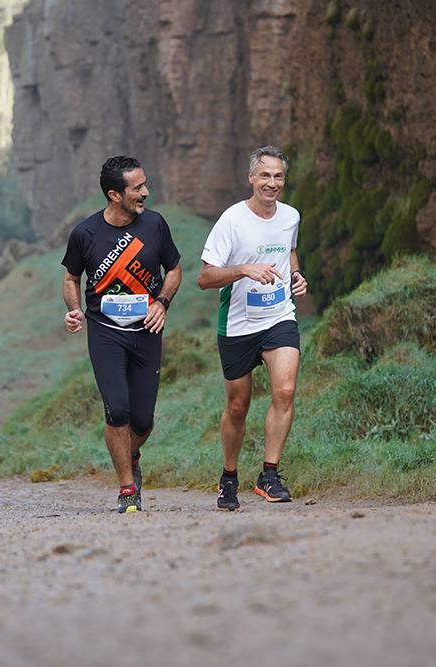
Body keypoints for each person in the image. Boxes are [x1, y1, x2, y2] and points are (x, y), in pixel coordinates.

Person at [62, 155, 181, 513]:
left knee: (142, 419)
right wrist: (73, 309)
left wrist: (161, 302)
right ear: (115, 195)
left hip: (146, 330)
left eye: (145, 184)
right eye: (137, 187)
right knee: (118, 412)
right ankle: (127, 488)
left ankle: (130, 456)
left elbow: (174, 269)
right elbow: (71, 278)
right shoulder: (85, 233)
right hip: (105, 332)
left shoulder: (155, 226)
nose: (146, 192)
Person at [197, 145, 308, 511]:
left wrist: (295, 274)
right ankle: (229, 478)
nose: (271, 183)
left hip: (279, 316)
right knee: (238, 406)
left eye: (278, 176)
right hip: (238, 324)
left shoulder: (290, 216)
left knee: (286, 388)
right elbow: (204, 278)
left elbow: (288, 249)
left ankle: (269, 475)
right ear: (251, 178)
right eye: (265, 175)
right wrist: (244, 269)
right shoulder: (231, 220)